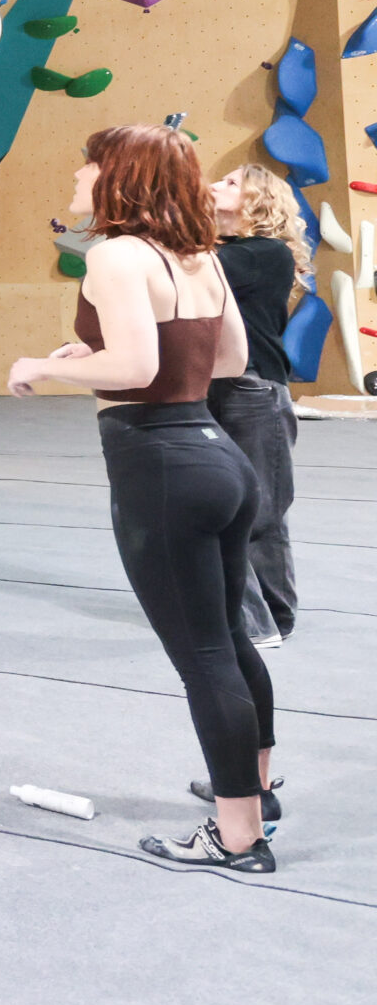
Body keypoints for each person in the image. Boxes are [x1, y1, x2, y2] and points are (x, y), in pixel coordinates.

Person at [7, 126, 276, 872]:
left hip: (163, 467)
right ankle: (255, 792)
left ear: (115, 176)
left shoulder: (118, 255)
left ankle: (238, 836)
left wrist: (45, 365)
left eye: (86, 164)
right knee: (228, 638)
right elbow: (229, 360)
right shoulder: (198, 257)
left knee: (205, 657)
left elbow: (133, 361)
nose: (75, 173)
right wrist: (88, 357)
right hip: (215, 457)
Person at [207, 164, 308, 651]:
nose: (215, 185)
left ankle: (272, 618)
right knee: (216, 507)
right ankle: (249, 613)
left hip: (255, 392)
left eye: (229, 182)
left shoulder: (265, 254)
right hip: (211, 389)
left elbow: (196, 273)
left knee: (262, 510)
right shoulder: (218, 252)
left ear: (256, 200)